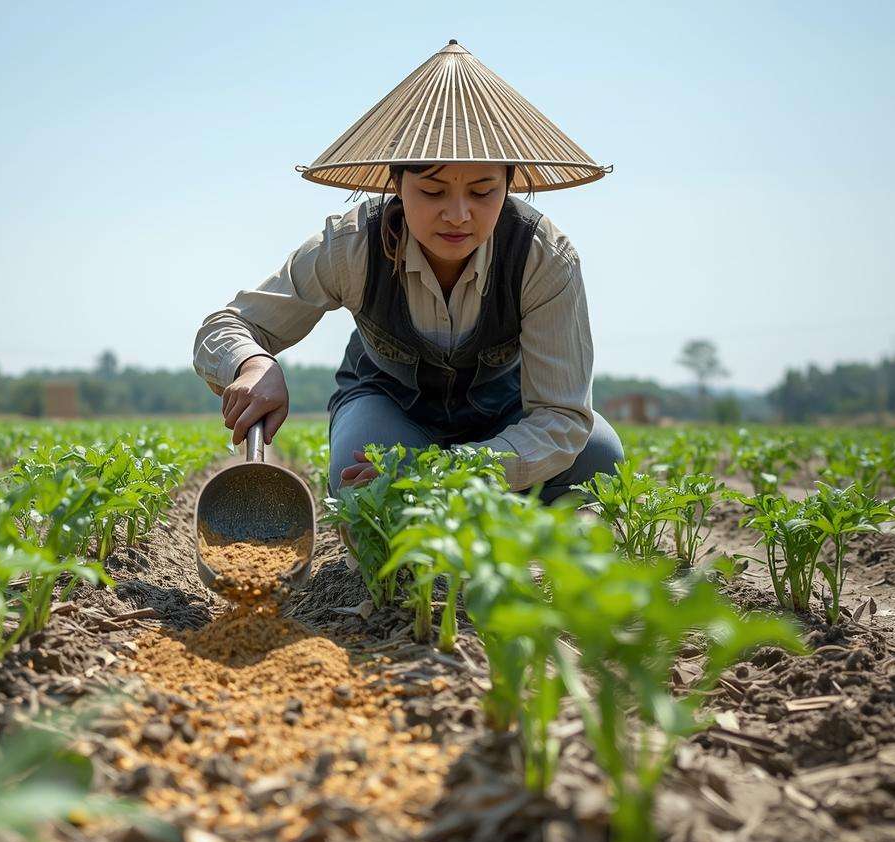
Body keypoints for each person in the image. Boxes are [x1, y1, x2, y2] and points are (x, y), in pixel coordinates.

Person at [192, 40, 623, 504]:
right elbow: (230, 324)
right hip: (388, 407)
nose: (458, 215)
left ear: (510, 184)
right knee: (361, 477)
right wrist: (253, 362)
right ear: (396, 184)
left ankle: (485, 526)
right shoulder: (353, 246)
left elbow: (560, 421)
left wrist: (443, 474)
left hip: (506, 417)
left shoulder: (543, 257)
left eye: (482, 191)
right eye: (433, 191)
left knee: (599, 455)